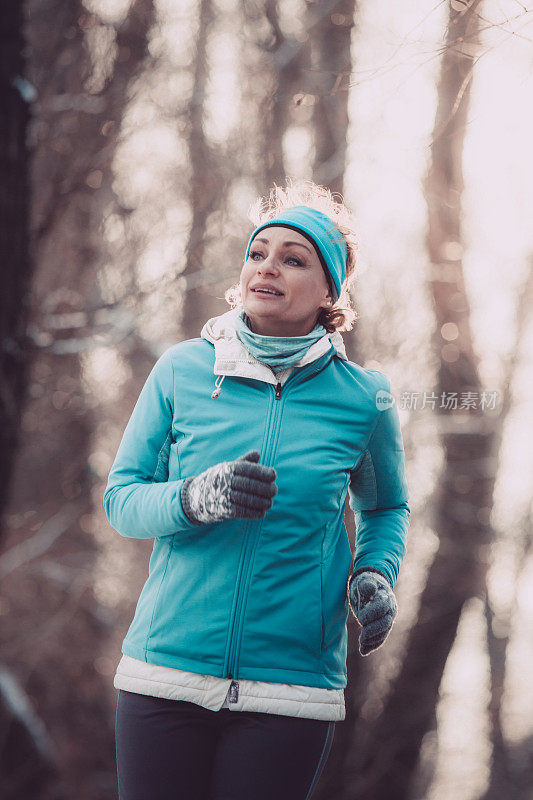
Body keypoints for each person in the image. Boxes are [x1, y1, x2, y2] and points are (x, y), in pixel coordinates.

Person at [104, 179, 411, 800]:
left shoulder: (363, 398)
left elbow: (385, 508)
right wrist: (195, 498)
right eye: (258, 252)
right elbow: (122, 500)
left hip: (290, 691)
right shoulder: (182, 372)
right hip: (164, 675)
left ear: (330, 291)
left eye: (293, 259)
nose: (267, 266)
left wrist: (375, 572)